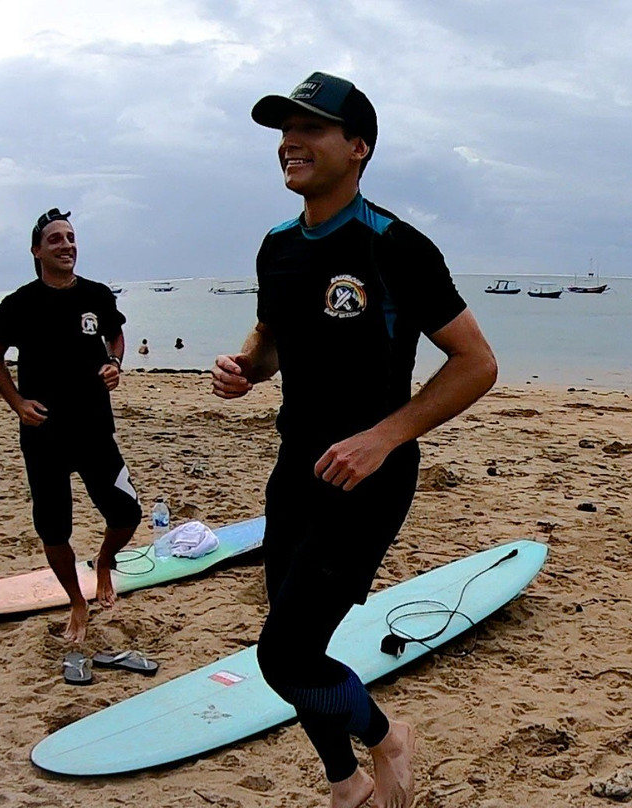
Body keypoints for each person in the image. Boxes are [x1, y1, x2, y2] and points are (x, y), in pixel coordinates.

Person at [211, 72, 497, 808]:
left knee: (284, 656)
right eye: (285, 130)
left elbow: (477, 363)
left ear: (358, 147)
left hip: (369, 480)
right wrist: (246, 367)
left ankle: (388, 736)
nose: (290, 143)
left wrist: (384, 436)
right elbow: (273, 338)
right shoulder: (277, 246)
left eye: (310, 129)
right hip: (295, 469)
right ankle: (347, 785)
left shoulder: (394, 246)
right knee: (296, 642)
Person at [0, 208, 142, 643]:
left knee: (128, 514)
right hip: (44, 434)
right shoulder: (18, 304)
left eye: (71, 238)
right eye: (55, 239)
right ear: (37, 250)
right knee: (54, 528)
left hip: (94, 429)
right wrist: (17, 403)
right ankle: (76, 600)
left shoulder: (97, 295)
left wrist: (114, 363)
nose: (66, 245)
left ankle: (104, 561)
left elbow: (116, 337)